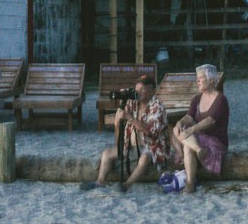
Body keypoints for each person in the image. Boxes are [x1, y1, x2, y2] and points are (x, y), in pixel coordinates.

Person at [86, 74, 168, 191]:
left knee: (144, 158)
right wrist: (117, 122)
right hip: (131, 145)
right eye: (136, 89)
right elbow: (118, 134)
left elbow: (150, 131)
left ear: (151, 90)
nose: (138, 92)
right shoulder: (132, 102)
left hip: (152, 146)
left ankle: (126, 185)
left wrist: (130, 118)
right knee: (106, 154)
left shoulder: (158, 106)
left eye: (142, 89)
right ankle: (100, 181)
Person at [170, 63, 229, 194]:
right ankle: (196, 150)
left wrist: (191, 130)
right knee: (176, 130)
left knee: (187, 144)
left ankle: (190, 184)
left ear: (211, 80)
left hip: (216, 142)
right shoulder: (196, 99)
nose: (197, 81)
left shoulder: (221, 99)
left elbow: (210, 121)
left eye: (201, 78)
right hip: (198, 141)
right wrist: (180, 122)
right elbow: (189, 117)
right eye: (197, 78)